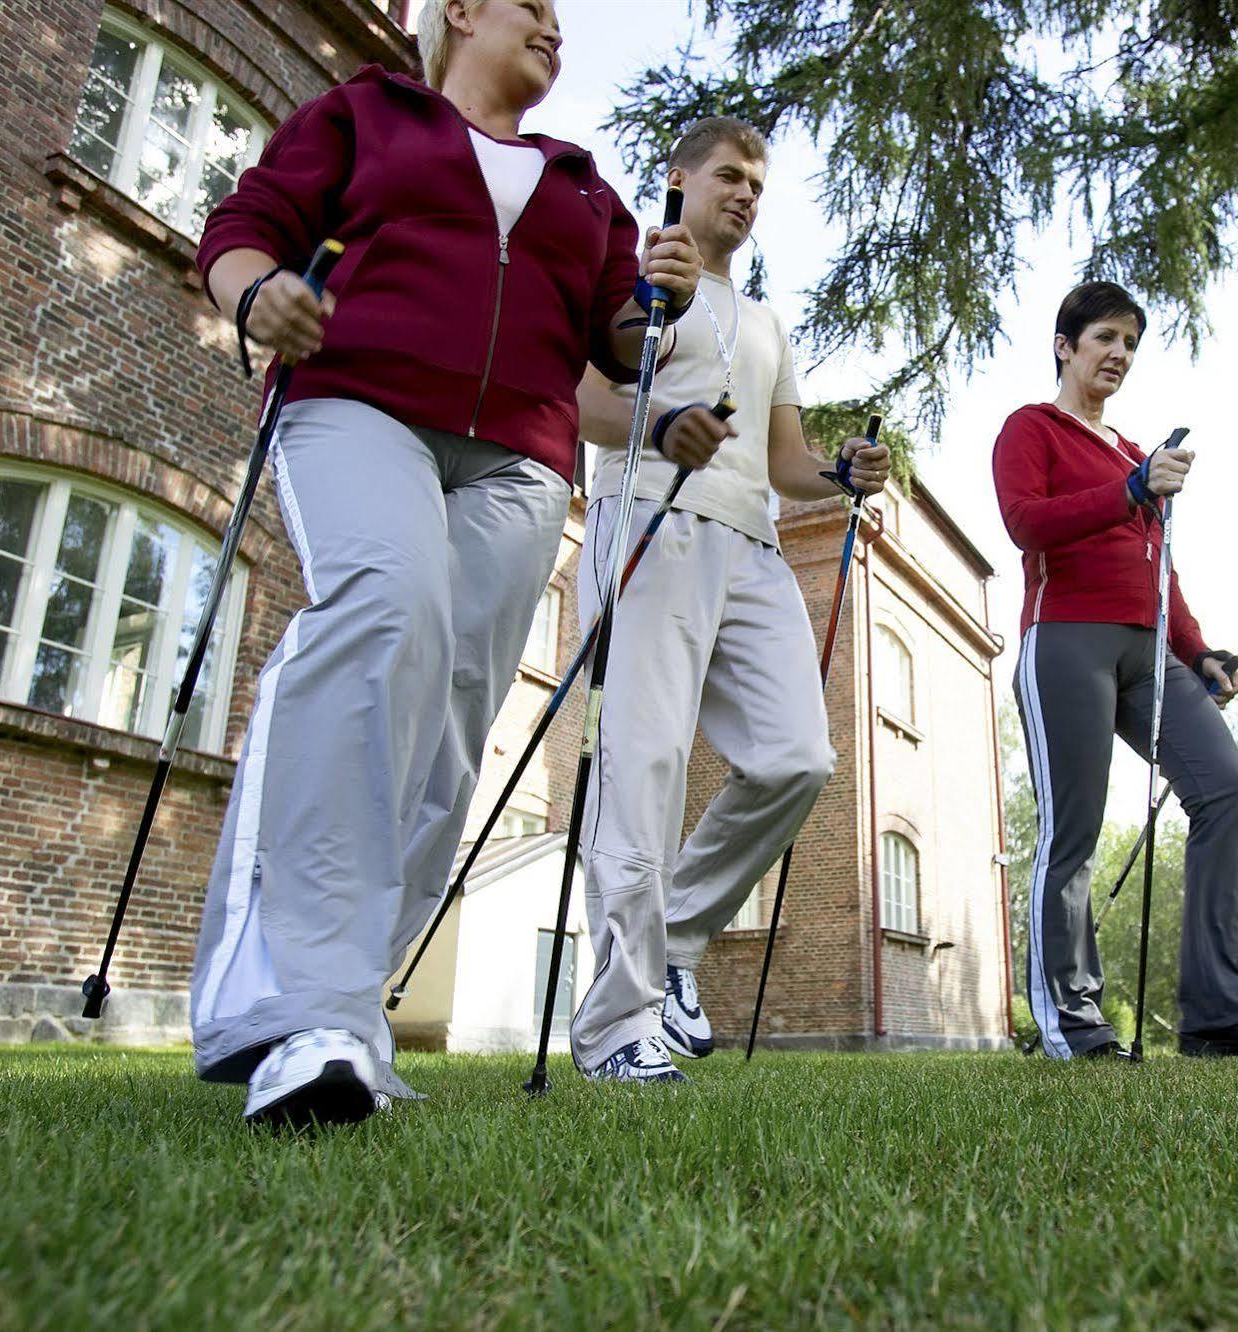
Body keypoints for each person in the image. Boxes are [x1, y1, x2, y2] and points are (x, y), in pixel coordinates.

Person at [185, 0, 701, 1126]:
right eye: (536, 6)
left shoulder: (579, 180)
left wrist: (662, 293)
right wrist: (257, 295)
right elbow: (244, 226)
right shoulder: (370, 112)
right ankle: (290, 1010)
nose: (557, 28)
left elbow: (619, 336)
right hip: (356, 400)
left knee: (457, 712)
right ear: (459, 11)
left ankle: (350, 1015)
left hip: (520, 457)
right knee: (382, 612)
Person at [567, 117, 892, 1083]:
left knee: (799, 757)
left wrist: (842, 473)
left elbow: (784, 461)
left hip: (752, 546)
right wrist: (662, 424)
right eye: (730, 175)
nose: (746, 195)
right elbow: (578, 398)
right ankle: (616, 1028)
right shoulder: (635, 285)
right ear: (679, 180)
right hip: (648, 524)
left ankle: (671, 940)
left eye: (759, 183)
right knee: (647, 764)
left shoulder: (763, 321)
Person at [993, 281, 1238, 1060]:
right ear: (1063, 346)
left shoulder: (1137, 454)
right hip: (1065, 639)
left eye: (1130, 344)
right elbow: (1023, 523)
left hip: (1153, 652)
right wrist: (1128, 492)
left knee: (1224, 789)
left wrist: (1199, 649)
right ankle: (1072, 1020)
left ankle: (1218, 1010)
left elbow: (1161, 568)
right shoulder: (1030, 428)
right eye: (1104, 338)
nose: (1119, 355)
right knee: (1072, 831)